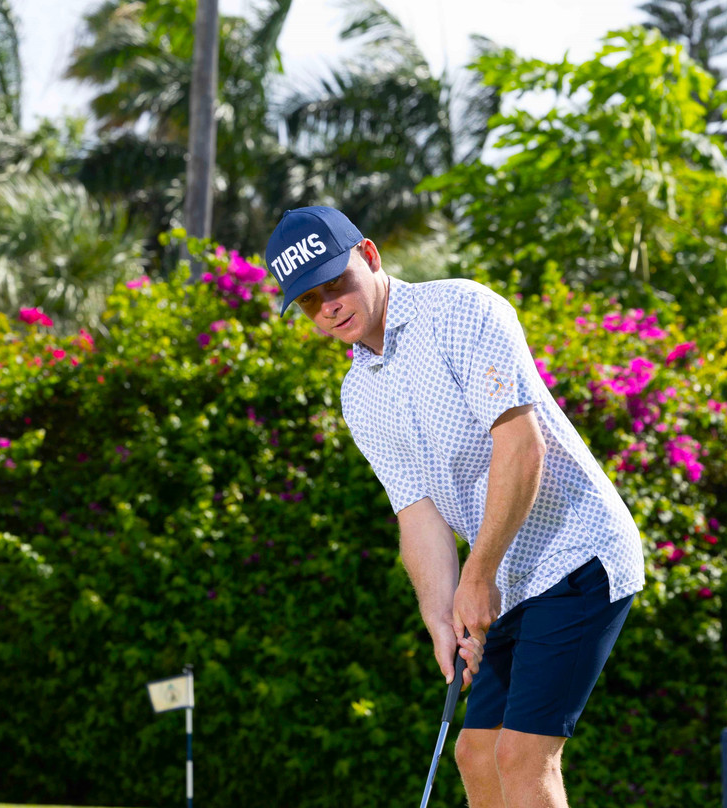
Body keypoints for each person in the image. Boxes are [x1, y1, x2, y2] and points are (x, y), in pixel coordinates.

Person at [265, 206, 644, 808]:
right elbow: (417, 514)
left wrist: (478, 575)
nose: (329, 306)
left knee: (521, 756)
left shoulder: (464, 310)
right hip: (510, 577)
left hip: (578, 551)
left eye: (335, 283)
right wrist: (441, 616)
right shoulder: (358, 392)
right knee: (475, 754)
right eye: (309, 301)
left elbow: (521, 445)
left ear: (369, 256)